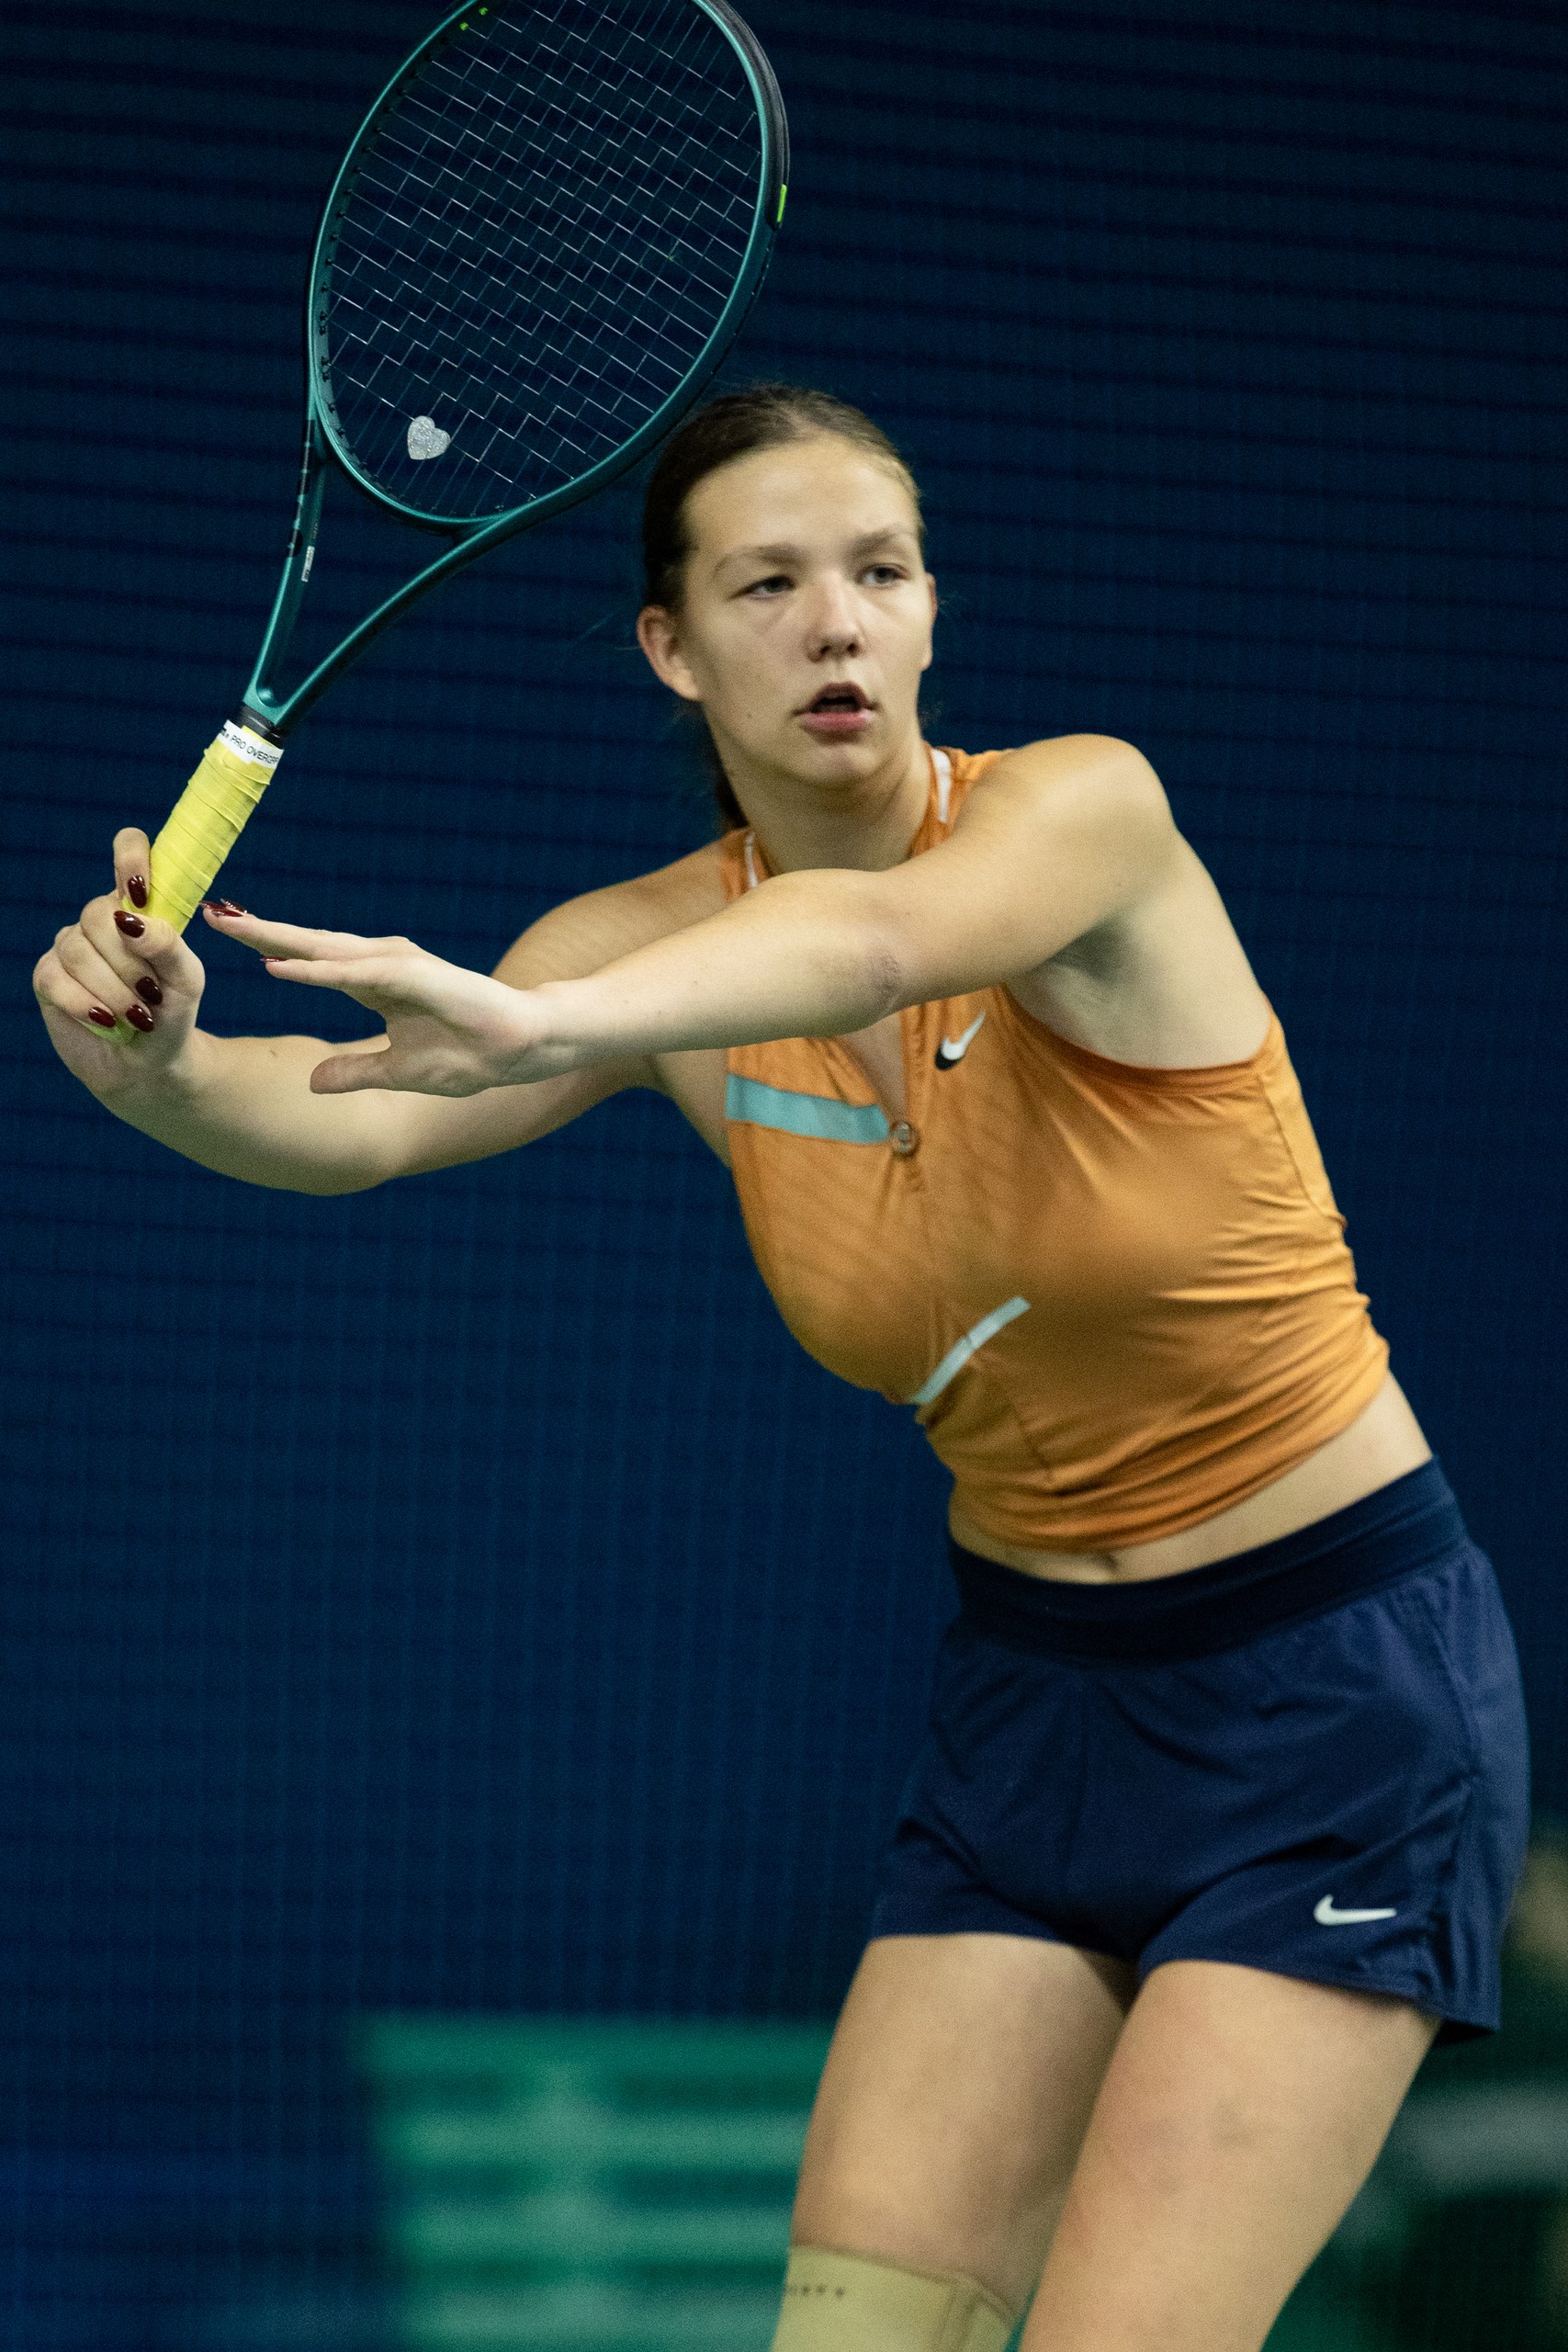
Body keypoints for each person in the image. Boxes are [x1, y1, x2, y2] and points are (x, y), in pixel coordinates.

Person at [33, 385, 1529, 2352]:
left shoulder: (1081, 818)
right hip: (1035, 1709)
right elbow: (357, 1117)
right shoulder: (642, 955)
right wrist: (146, 1064)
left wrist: (543, 1020)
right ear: (672, 645)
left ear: (927, 613)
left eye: (879, 573)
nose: (836, 622)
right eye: (768, 584)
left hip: (1329, 1697)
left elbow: (878, 941)